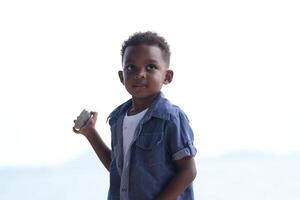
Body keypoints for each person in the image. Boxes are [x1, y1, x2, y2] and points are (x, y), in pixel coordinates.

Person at [73, 31, 197, 200]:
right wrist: (90, 133)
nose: (140, 74)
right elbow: (119, 168)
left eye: (151, 67)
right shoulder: (117, 118)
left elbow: (188, 171)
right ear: (121, 77)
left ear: (167, 76)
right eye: (131, 67)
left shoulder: (171, 118)